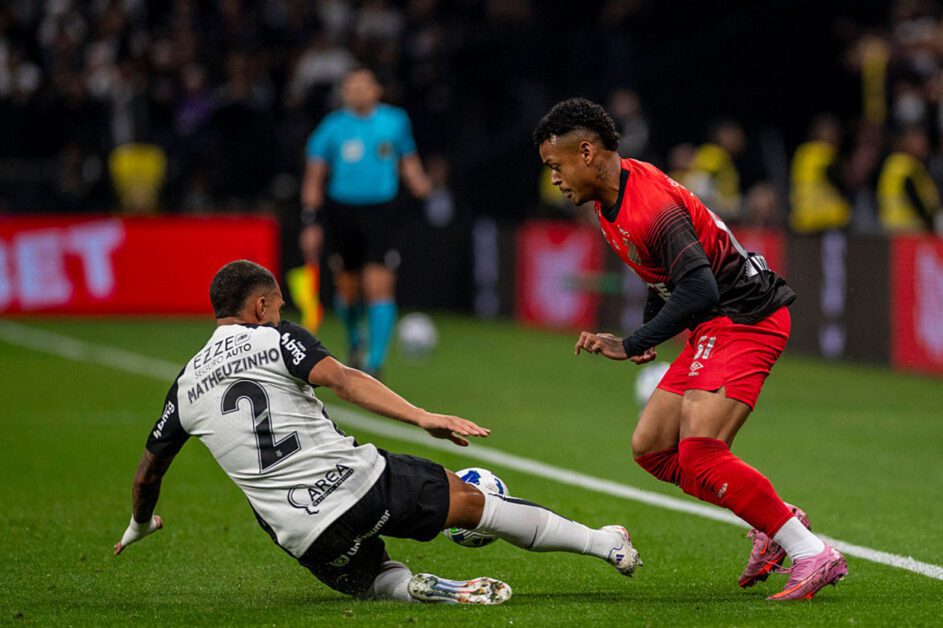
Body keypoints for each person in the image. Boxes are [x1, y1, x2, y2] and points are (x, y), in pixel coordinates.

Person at [113, 260, 642, 605]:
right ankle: (605, 544)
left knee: (373, 576)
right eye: (278, 306)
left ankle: (412, 588)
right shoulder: (274, 339)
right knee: (479, 503)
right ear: (259, 307)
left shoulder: (185, 385)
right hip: (357, 486)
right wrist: (422, 416)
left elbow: (145, 475)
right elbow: (342, 380)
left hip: (304, 536)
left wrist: (139, 523)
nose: (281, 314)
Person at [533, 98, 847, 602]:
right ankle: (776, 521)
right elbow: (661, 277)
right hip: (715, 325)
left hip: (746, 318)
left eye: (556, 165)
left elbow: (699, 287)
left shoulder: (647, 204)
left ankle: (811, 552)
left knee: (700, 454)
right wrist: (647, 331)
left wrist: (634, 341)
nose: (554, 178)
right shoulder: (612, 197)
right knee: (652, 448)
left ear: (587, 152)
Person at [299, 67, 431, 376]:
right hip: (342, 212)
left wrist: (421, 184)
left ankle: (375, 363)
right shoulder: (331, 127)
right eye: (351, 86)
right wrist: (310, 221)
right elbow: (314, 178)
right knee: (347, 289)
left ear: (377, 90)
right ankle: (355, 339)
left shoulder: (395, 121)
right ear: (344, 93)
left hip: (382, 211)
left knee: (379, 284)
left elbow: (408, 162)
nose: (357, 91)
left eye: (363, 85)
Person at [789, 114, 851, 233]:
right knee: (848, 212)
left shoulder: (802, 152)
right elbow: (845, 180)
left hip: (800, 216)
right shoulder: (825, 153)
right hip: (821, 217)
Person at [876, 125, 942, 233]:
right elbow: (914, 198)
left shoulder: (894, 162)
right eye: (918, 140)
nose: (924, 144)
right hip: (908, 227)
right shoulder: (906, 166)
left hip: (890, 226)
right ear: (906, 142)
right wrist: (930, 222)